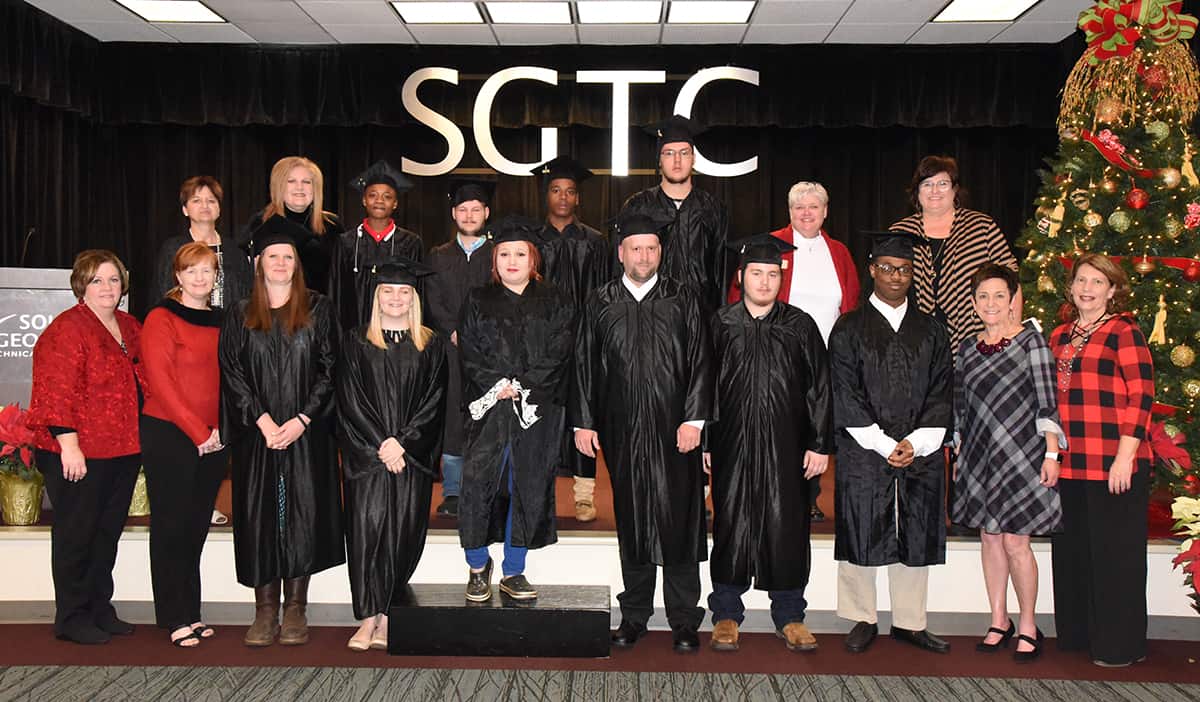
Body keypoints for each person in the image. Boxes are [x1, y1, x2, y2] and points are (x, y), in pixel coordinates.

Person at [572, 206, 714, 653]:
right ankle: (634, 615)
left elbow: (701, 360)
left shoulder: (684, 297)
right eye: (636, 248)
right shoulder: (600, 300)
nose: (645, 255)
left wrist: (695, 420)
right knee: (632, 520)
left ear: (661, 251)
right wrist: (584, 421)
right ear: (621, 253)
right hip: (621, 426)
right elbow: (584, 364)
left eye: (652, 248)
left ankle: (684, 619)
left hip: (677, 429)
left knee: (681, 518)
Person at [219, 215, 344, 648]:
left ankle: (295, 607)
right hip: (259, 434)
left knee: (301, 514)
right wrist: (263, 420)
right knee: (260, 517)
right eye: (272, 256)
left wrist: (302, 419)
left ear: (296, 263)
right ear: (259, 262)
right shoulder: (239, 312)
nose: (280, 263)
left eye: (287, 257)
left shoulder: (319, 307)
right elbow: (232, 372)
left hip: (304, 432)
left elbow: (331, 370)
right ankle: (265, 608)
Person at [706, 234, 833, 654]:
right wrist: (707, 439)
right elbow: (702, 387)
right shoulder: (721, 324)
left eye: (772, 274)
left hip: (787, 444)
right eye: (756, 274)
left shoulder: (799, 326)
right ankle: (726, 612)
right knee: (730, 523)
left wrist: (819, 443)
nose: (764, 282)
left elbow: (820, 388)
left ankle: (790, 615)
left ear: (782, 278)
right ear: (741, 277)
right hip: (732, 442)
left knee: (788, 526)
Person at [829, 231, 953, 655]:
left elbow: (942, 391)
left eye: (903, 269)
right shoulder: (848, 328)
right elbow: (844, 392)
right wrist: (884, 444)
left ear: (912, 273)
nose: (895, 276)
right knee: (862, 525)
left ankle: (910, 621)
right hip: (864, 449)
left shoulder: (932, 330)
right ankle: (862, 618)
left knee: (915, 529)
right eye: (886, 268)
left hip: (921, 449)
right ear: (872, 271)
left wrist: (916, 444)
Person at [27, 250, 144, 645]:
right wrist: (68, 445)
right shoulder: (68, 329)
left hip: (122, 448)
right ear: (81, 285)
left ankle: (98, 607)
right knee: (76, 535)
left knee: (106, 533)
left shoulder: (129, 325)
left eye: (113, 279)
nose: (107, 287)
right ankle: (71, 616)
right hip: (78, 451)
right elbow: (53, 389)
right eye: (97, 280)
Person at [458, 215, 575, 602]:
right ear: (495, 260)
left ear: (533, 259)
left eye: (520, 253)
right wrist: (498, 385)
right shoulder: (478, 299)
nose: (512, 260)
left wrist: (523, 385)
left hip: (536, 410)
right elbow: (470, 352)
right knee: (478, 484)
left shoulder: (556, 300)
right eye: (504, 253)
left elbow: (560, 352)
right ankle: (477, 565)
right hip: (488, 407)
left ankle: (514, 569)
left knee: (526, 484)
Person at [726, 181, 859, 523]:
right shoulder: (771, 247)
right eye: (799, 207)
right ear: (789, 212)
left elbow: (852, 302)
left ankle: (810, 494)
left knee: (817, 421)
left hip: (827, 354)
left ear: (825, 212)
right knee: (786, 426)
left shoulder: (839, 252)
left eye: (814, 207)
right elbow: (739, 297)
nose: (806, 213)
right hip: (778, 355)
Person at [952, 263, 1064, 663]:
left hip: (1022, 455)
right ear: (973, 302)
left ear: (1014, 298)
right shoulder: (967, 347)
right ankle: (999, 620)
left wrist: (1052, 453)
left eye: (1000, 295)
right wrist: (959, 449)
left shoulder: (1031, 343)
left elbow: (1047, 401)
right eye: (983, 296)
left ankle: (1030, 624)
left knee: (1017, 541)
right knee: (990, 537)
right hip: (980, 456)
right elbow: (960, 407)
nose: (991, 303)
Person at [1049, 253, 1154, 668]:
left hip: (1115, 464)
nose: (1087, 288)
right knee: (1073, 555)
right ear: (1071, 287)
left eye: (1097, 282)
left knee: (1115, 557)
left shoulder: (1124, 332)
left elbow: (1141, 395)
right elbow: (1049, 405)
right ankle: (1078, 637)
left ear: (1112, 290)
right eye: (1081, 281)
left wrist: (1125, 456)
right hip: (1071, 466)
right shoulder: (1059, 336)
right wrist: (1052, 454)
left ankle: (1119, 644)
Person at [337, 259, 447, 651]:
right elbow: (350, 399)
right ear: (376, 296)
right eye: (388, 291)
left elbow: (434, 401)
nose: (396, 298)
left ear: (414, 298)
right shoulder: (355, 341)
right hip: (368, 456)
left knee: (402, 533)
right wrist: (382, 443)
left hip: (409, 457)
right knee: (366, 533)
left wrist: (404, 441)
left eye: (404, 291)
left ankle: (388, 614)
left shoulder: (430, 344)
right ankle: (368, 617)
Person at [140, 242, 227, 648]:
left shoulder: (221, 319)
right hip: (171, 434)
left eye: (206, 271)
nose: (199, 278)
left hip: (213, 438)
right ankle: (173, 615)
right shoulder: (160, 318)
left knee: (194, 528)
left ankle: (191, 612)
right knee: (171, 527)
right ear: (177, 275)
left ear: (215, 277)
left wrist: (220, 432)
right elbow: (161, 383)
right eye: (191, 270)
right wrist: (198, 432)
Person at [528, 155, 612, 522]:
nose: (563, 197)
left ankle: (583, 494)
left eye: (570, 192)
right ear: (547, 195)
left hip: (582, 343)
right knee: (541, 418)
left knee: (583, 416)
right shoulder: (530, 241)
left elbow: (604, 294)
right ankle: (541, 491)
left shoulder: (595, 242)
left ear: (578, 199)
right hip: (539, 347)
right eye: (556, 190)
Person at [888, 155, 1020, 355]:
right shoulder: (899, 233)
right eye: (927, 184)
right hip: (913, 347)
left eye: (943, 183)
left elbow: (1012, 282)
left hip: (977, 343)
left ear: (955, 189)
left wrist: (1011, 335)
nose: (935, 191)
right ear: (917, 192)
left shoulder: (982, 227)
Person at [424, 180, 496, 519]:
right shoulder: (438, 256)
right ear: (454, 213)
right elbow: (433, 299)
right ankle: (452, 490)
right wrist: (452, 330)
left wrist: (479, 335)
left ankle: (484, 487)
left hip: (489, 351)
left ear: (486, 213)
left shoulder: (497, 255)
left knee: (486, 414)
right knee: (453, 417)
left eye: (475, 209)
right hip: (450, 350)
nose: (469, 215)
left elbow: (502, 297)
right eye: (463, 210)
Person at [623, 115, 729, 314]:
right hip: (650, 316)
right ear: (659, 160)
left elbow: (721, 270)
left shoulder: (713, 209)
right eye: (669, 153)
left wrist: (720, 321)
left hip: (702, 315)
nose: (677, 160)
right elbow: (622, 267)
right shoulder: (638, 206)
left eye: (684, 153)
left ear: (694, 158)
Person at [329, 160, 425, 330]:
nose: (379, 200)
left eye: (387, 196)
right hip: (352, 330)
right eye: (373, 195)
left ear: (395, 203)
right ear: (364, 200)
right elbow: (335, 292)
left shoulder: (410, 243)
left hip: (398, 330)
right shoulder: (346, 243)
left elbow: (419, 293)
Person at [242, 156, 341, 294]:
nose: (299, 187)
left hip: (321, 309)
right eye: (291, 181)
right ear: (279, 186)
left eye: (306, 182)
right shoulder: (261, 224)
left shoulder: (332, 226)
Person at [153, 175, 253, 309]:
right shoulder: (173, 249)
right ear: (185, 210)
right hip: (185, 325)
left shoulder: (234, 250)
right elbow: (162, 295)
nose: (205, 205)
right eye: (196, 200)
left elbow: (246, 297)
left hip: (229, 326)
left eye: (211, 201)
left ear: (219, 210)